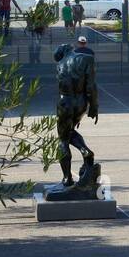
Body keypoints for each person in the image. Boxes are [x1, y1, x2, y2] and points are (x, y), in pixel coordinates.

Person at [53, 36, 99, 187]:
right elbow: (91, 85)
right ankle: (85, 150)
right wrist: (93, 106)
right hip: (80, 102)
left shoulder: (60, 64)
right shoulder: (86, 59)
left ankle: (67, 178)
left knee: (63, 140)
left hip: (64, 102)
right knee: (69, 132)